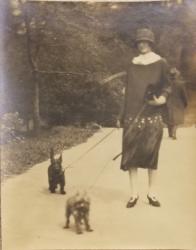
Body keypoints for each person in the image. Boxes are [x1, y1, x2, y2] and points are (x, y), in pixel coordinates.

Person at [117, 28, 171, 208]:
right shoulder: (132, 63)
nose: (142, 44)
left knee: (151, 155)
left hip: (152, 115)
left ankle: (152, 193)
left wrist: (161, 100)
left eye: (146, 41)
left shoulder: (161, 62)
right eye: (139, 41)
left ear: (151, 43)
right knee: (130, 155)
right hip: (132, 115)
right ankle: (134, 194)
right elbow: (127, 91)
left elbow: (167, 86)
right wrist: (122, 115)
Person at [164, 67, 188, 139]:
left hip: (168, 103)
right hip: (178, 103)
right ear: (177, 75)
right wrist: (185, 103)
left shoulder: (167, 83)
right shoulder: (180, 84)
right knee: (176, 119)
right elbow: (184, 95)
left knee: (169, 119)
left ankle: (170, 134)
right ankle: (174, 133)